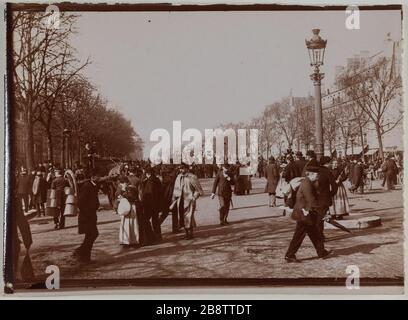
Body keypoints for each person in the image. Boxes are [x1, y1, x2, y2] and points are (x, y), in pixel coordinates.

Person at [285, 163, 332, 263]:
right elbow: (311, 200)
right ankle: (289, 255)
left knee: (314, 233)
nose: (318, 176)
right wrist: (323, 211)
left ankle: (321, 252)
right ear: (310, 174)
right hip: (304, 214)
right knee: (299, 235)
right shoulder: (307, 184)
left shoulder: (308, 182)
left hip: (306, 213)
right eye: (316, 174)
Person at [74, 170, 101, 263]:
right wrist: (87, 212)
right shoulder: (87, 186)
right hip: (87, 216)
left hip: (91, 215)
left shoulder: (93, 185)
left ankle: (85, 257)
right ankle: (80, 251)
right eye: (97, 176)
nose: (99, 178)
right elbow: (80, 202)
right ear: (93, 177)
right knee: (93, 234)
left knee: (90, 235)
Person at [172, 163, 203, 239]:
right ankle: (187, 233)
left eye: (182, 168)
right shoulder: (178, 177)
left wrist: (194, 197)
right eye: (180, 169)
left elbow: (199, 190)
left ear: (187, 168)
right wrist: (174, 199)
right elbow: (175, 189)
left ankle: (190, 234)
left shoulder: (192, 177)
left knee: (189, 217)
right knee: (182, 217)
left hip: (189, 201)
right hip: (180, 201)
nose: (181, 170)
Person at [116, 176, 140, 248]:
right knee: (126, 225)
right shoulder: (124, 189)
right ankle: (126, 241)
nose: (122, 185)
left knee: (131, 224)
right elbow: (116, 194)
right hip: (127, 208)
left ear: (125, 182)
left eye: (122, 183)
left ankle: (133, 241)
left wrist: (123, 197)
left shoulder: (131, 188)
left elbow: (133, 197)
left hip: (131, 208)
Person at [141, 166, 163, 243]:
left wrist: (143, 202)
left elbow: (148, 193)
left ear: (147, 173)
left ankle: (151, 237)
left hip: (150, 204)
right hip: (156, 204)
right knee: (155, 220)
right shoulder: (156, 180)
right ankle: (158, 235)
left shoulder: (150, 181)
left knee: (146, 219)